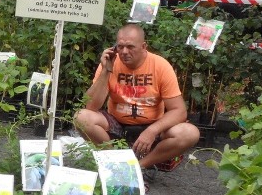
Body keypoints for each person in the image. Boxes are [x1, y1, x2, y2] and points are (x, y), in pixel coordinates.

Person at [73, 24, 199, 170]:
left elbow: (179, 111)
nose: (124, 52)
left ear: (144, 46)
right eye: (120, 47)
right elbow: (91, 106)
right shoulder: (110, 63)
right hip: (117, 124)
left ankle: (139, 166)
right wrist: (106, 71)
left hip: (151, 125)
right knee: (81, 117)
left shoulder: (160, 66)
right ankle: (116, 161)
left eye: (130, 47)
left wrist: (152, 131)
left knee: (190, 133)